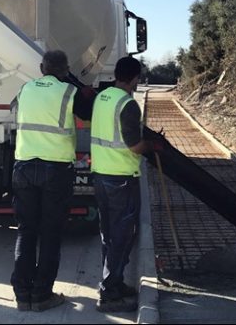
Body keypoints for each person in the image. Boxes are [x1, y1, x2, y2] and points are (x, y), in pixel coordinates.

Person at [10, 50, 94, 312]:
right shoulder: (69, 92)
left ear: (41, 67)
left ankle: (23, 295)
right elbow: (87, 117)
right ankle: (42, 294)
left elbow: (16, 110)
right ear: (66, 69)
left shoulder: (25, 89)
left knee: (26, 231)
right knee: (50, 233)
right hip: (55, 170)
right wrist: (87, 95)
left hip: (23, 167)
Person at [90, 56, 163, 312]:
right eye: (138, 79)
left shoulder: (103, 98)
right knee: (121, 236)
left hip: (101, 175)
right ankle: (109, 294)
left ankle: (116, 282)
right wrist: (152, 147)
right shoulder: (128, 104)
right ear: (133, 78)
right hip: (121, 178)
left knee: (109, 235)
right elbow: (133, 145)